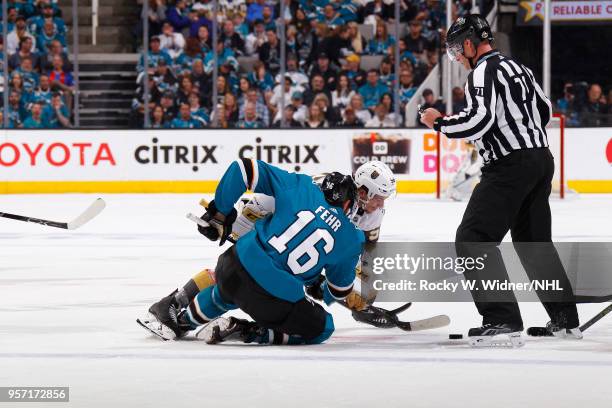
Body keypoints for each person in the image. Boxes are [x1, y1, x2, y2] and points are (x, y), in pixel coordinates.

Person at [420, 15, 580, 347]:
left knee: (473, 238)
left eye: (456, 50)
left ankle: (501, 319)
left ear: (468, 43)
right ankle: (565, 319)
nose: (457, 58)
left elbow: (479, 121)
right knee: (533, 243)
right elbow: (545, 110)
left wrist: (440, 122)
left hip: (509, 165)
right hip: (540, 158)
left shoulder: (481, 73)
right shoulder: (518, 68)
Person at [140, 160, 365, 345]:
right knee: (322, 328)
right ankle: (254, 332)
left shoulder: (301, 184)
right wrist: (321, 286)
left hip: (237, 259)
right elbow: (337, 289)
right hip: (273, 293)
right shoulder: (354, 237)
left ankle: (181, 321)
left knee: (225, 290)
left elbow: (243, 168)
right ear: (348, 205)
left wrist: (219, 212)